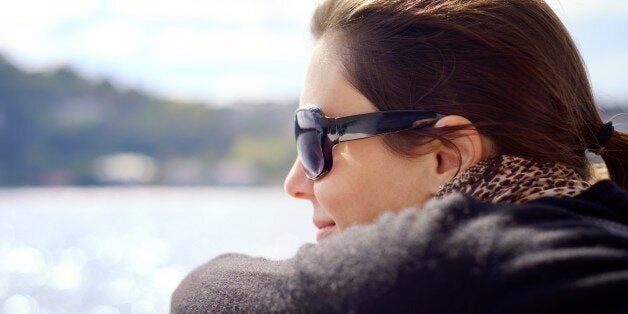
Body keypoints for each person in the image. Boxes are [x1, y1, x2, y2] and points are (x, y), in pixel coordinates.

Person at [171, 0, 628, 313]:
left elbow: (203, 293)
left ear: (445, 156)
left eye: (315, 137)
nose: (295, 181)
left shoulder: (464, 262)